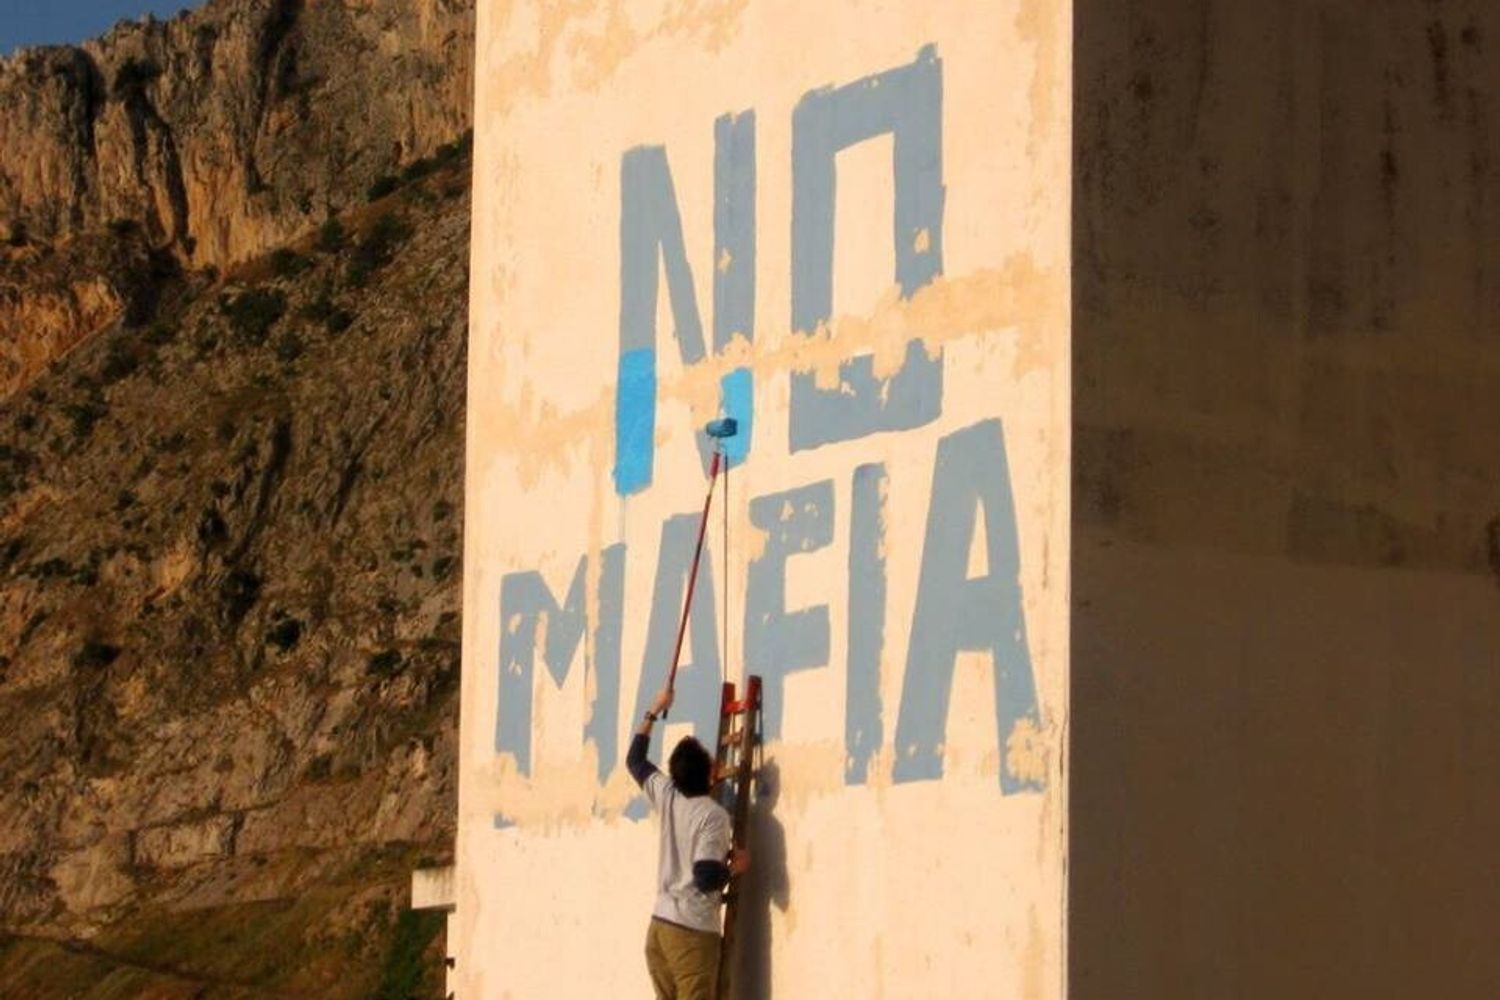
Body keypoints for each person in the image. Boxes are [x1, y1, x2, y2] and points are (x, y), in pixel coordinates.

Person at [628, 686, 750, 1000]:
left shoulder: (667, 794)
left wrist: (654, 710)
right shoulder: (713, 816)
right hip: (691, 934)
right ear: (710, 773)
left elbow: (635, 760)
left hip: (659, 929)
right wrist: (734, 868)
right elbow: (706, 876)